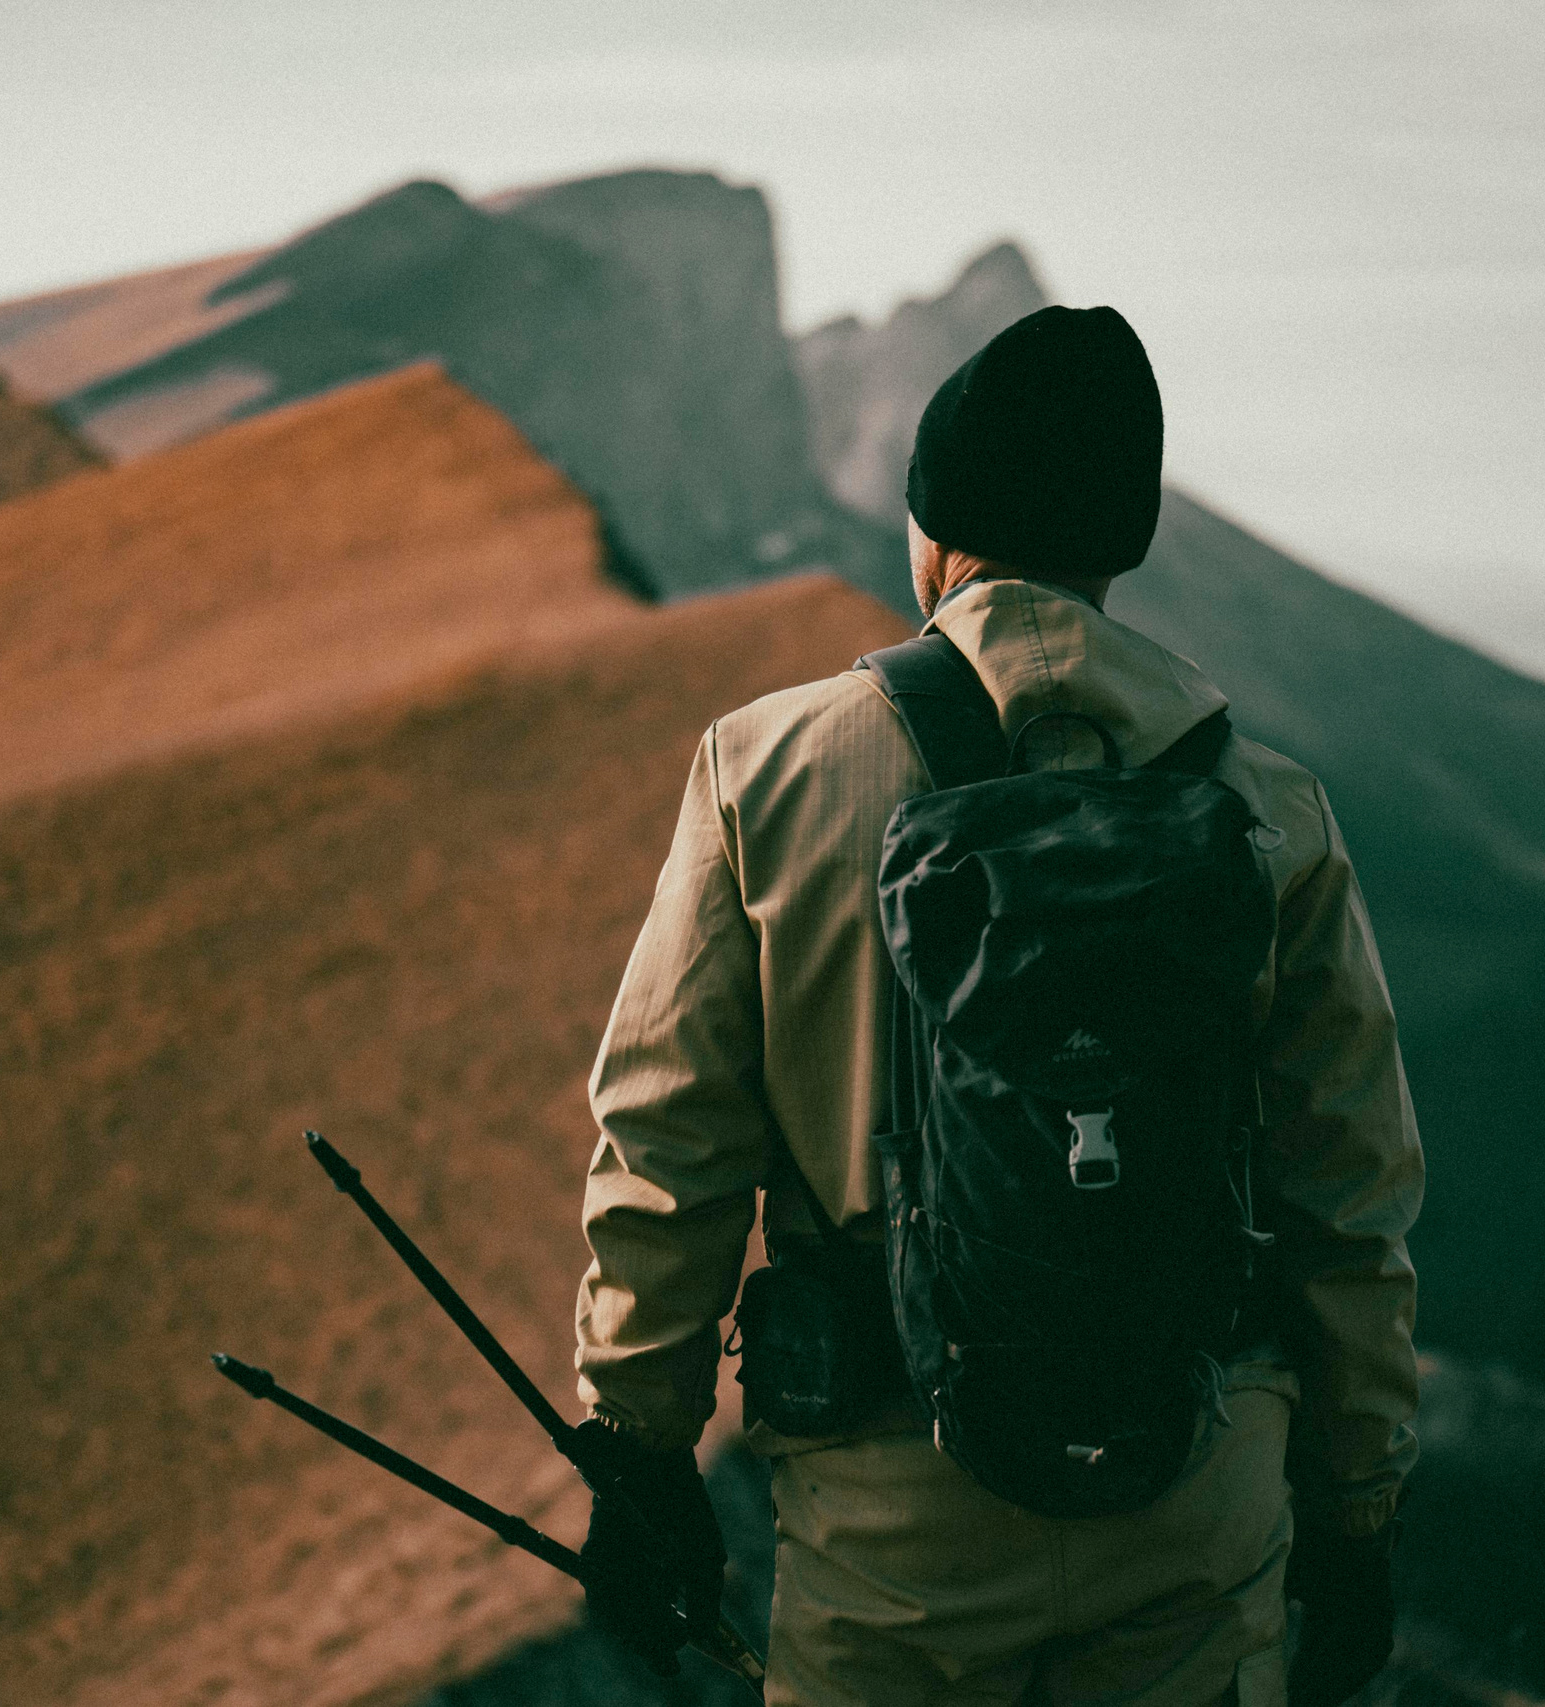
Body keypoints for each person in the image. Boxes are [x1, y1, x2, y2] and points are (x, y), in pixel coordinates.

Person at [568, 304, 1424, 1706]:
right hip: (1194, 1484)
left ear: (933, 528)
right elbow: (1352, 1192)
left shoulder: (763, 774)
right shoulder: (1267, 811)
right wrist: (1356, 1510)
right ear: (1119, 540)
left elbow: (668, 1147)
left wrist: (640, 1448)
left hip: (892, 1519)